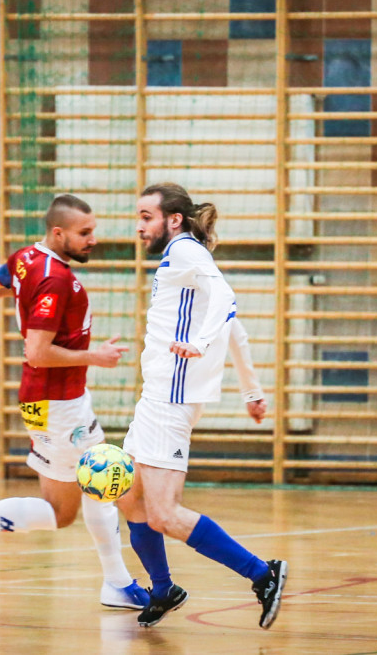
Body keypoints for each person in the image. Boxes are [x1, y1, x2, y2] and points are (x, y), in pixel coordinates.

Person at [0, 194, 150, 610]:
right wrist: (93, 356)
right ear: (58, 232)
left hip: (54, 400)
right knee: (105, 486)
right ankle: (117, 582)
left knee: (74, 503)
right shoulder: (55, 279)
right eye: (85, 233)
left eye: (93, 231)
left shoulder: (29, 258)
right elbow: (37, 352)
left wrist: (20, 297)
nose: (92, 240)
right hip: (58, 402)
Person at [115, 182, 287, 629]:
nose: (139, 226)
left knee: (164, 514)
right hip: (157, 398)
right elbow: (236, 328)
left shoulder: (188, 253)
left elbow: (227, 302)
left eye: (146, 217)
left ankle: (262, 574)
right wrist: (251, 389)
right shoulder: (183, 258)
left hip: (170, 401)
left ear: (173, 219)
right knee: (129, 499)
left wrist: (198, 342)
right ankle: (162, 588)